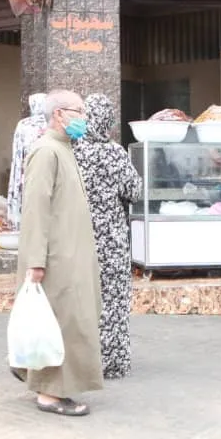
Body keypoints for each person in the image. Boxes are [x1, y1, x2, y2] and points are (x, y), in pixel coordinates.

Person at [13, 89, 103, 416]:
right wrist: (36, 260)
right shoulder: (46, 151)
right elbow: (36, 210)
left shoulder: (63, 149)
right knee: (61, 323)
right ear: (59, 115)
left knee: (69, 321)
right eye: (77, 110)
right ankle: (50, 393)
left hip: (70, 254)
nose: (83, 117)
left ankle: (35, 375)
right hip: (55, 259)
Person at [73, 93, 142, 379]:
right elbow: (134, 191)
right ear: (108, 121)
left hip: (78, 236)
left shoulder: (72, 151)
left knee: (81, 300)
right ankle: (112, 361)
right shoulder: (115, 153)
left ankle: (80, 361)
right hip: (111, 239)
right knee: (112, 300)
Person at [6, 92, 47, 228]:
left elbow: (17, 152)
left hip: (27, 170)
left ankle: (23, 227)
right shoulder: (51, 124)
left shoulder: (23, 124)